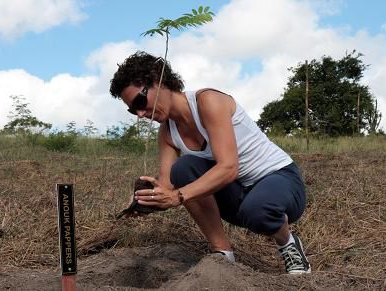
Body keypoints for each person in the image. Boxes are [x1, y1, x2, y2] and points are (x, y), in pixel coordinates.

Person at [109, 51, 310, 274]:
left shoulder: (208, 101)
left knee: (258, 210)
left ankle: (288, 244)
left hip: (279, 180)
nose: (139, 113)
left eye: (140, 101)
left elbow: (229, 167)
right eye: (132, 109)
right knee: (183, 168)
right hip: (237, 196)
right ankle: (223, 254)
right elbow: (167, 187)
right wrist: (146, 201)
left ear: (159, 79)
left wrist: (177, 196)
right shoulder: (167, 133)